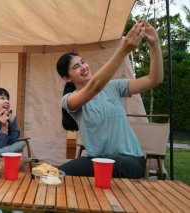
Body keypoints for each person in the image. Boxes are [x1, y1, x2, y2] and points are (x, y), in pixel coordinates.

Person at [56, 20, 163, 179]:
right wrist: (124, 48)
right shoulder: (69, 100)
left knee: (101, 165)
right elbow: (94, 87)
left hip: (130, 161)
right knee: (56, 174)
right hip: (97, 161)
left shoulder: (114, 87)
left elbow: (154, 79)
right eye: (76, 67)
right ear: (67, 78)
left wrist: (155, 45)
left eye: (83, 62)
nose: (84, 67)